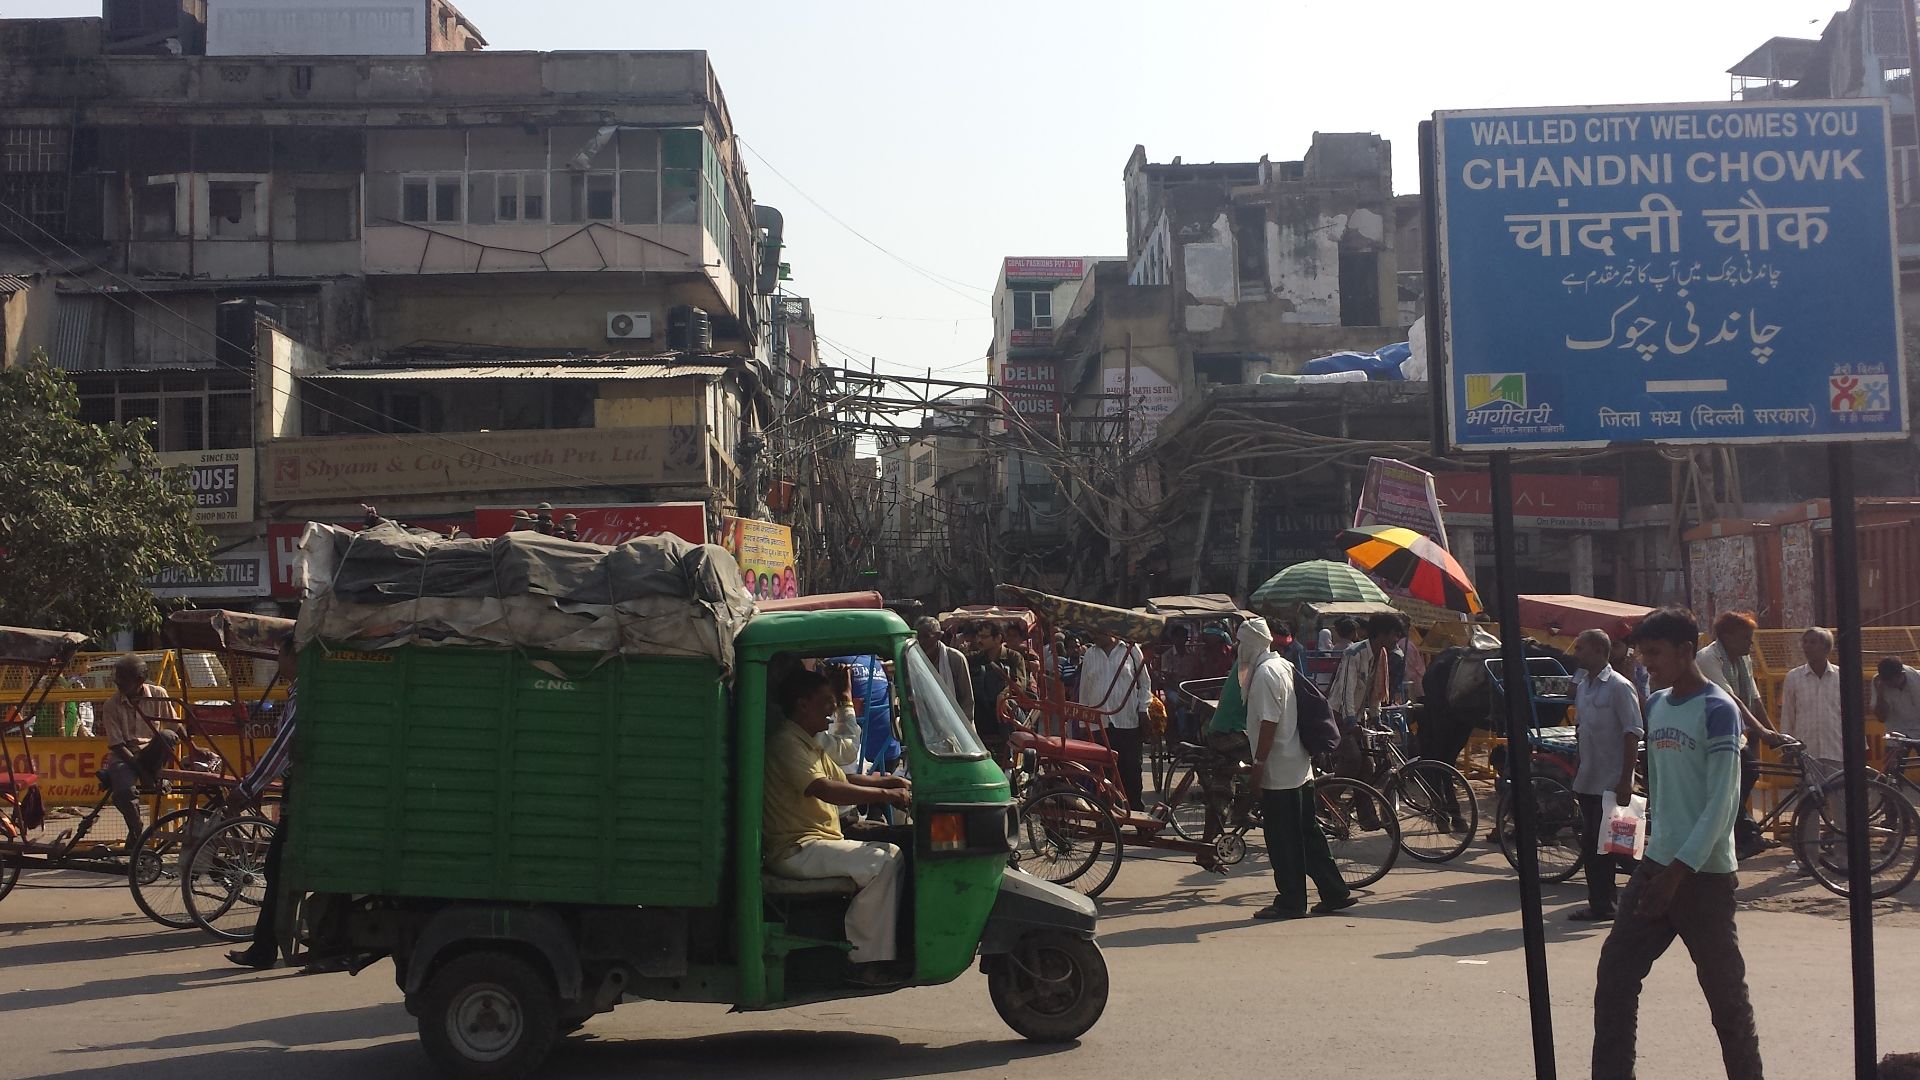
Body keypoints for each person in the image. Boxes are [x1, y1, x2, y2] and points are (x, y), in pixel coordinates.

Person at [1592, 607, 1762, 1079]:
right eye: (1642, 653)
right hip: (1656, 868)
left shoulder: (1719, 710)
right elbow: (1666, 790)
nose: (1646, 662)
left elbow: (1721, 805)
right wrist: (1650, 855)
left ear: (1687, 652)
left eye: (1654, 653)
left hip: (1703, 879)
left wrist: (1677, 874)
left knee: (1726, 1001)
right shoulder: (1658, 704)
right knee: (1615, 979)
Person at [763, 668, 912, 985]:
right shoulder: (787, 743)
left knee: (894, 852)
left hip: (816, 842)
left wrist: (894, 781)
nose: (833, 709)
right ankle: (862, 961)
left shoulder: (809, 742)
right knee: (884, 860)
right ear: (803, 705)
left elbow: (844, 779)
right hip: (797, 848)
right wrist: (886, 793)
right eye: (826, 702)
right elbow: (824, 789)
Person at [1241, 616, 1355, 921]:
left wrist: (1258, 766)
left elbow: (1268, 724)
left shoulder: (1265, 673)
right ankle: (1335, 892)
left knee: (1283, 839)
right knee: (1308, 834)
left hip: (1279, 771)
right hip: (1298, 765)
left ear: (1250, 644)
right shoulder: (1281, 665)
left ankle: (1291, 901)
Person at [227, 635, 300, 970]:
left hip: (302, 795)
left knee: (277, 867)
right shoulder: (300, 694)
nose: (278, 662)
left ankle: (264, 948)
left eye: (280, 655)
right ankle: (266, 946)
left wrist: (248, 786)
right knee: (278, 868)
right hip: (299, 793)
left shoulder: (304, 696)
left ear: (292, 656)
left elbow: (282, 751)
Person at [1567, 630, 1644, 922]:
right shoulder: (1584, 686)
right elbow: (1582, 729)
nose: (1577, 653)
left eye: (1582, 648)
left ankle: (1623, 899)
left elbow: (1632, 733)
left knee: (1614, 845)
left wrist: (1626, 779)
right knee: (1596, 845)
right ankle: (1603, 903)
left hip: (1612, 780)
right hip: (1588, 776)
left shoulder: (1619, 687)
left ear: (1599, 650)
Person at [1697, 611, 1786, 858]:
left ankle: (1743, 831)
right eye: (1745, 637)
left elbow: (1754, 698)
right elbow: (1731, 699)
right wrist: (1761, 730)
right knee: (1742, 774)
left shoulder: (1743, 659)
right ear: (1726, 636)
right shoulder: (1708, 658)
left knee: (1748, 772)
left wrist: (1772, 732)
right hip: (1713, 732)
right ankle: (1742, 833)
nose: (1750, 643)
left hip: (1737, 732)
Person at [96, 655, 180, 851]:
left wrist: (195, 750)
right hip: (124, 756)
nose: (118, 683)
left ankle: (157, 774)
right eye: (117, 679)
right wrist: (143, 774)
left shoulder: (158, 693)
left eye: (123, 680)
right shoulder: (111, 705)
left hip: (150, 753)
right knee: (124, 791)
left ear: (140, 680)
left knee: (166, 736)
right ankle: (136, 830)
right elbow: (117, 745)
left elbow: (175, 725)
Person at [1327, 613, 1402, 799]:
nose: (1396, 639)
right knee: (1353, 759)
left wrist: (1376, 720)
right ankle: (1326, 799)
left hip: (1358, 717)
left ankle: (1366, 816)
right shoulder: (1354, 653)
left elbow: (1375, 692)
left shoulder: (1381, 656)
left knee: (1369, 766)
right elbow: (1346, 691)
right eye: (1393, 634)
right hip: (1339, 715)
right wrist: (1351, 722)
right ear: (1381, 634)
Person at [1079, 629, 1151, 809]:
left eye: (1098, 630)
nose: (1094, 635)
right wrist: (1083, 722)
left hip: (1127, 721)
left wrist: (1144, 709)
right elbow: (1085, 690)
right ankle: (1108, 816)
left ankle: (1135, 812)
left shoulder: (1131, 650)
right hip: (1099, 724)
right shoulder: (1090, 654)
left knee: (1131, 771)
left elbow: (1145, 684)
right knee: (1103, 775)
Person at [1779, 627, 1844, 763]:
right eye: (1805, 642)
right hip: (1806, 752)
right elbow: (1788, 715)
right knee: (1808, 785)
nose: (1807, 646)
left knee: (1839, 784)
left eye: (1813, 642)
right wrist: (1786, 748)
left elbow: (1853, 714)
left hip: (1837, 750)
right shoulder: (1793, 677)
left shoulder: (1842, 676)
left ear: (1826, 647)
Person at [969, 622, 1028, 763]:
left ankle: (1010, 757)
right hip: (983, 710)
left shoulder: (1013, 657)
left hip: (1009, 711)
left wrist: (1003, 695)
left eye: (984, 637)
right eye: (978, 636)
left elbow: (1020, 683)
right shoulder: (974, 659)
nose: (979, 640)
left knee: (1007, 705)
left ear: (998, 638)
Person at [908, 617, 973, 720]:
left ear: (938, 636)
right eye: (918, 637)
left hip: (955, 722)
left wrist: (965, 726)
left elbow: (967, 699)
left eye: (926, 636)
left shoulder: (955, 658)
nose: (921, 641)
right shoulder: (913, 660)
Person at [1873, 655, 1920, 738]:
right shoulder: (1878, 682)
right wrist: (1880, 695)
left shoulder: (1917, 679)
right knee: (1893, 750)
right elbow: (1881, 718)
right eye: (1887, 682)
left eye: (1893, 682)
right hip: (1895, 730)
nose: (1890, 685)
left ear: (1902, 674)